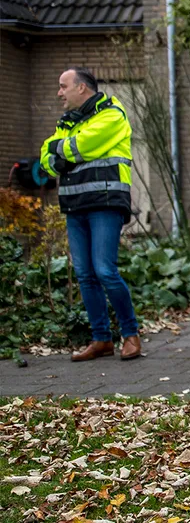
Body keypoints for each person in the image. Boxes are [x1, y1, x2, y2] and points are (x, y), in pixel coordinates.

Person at [40, 67, 142, 362]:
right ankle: (101, 340)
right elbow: (46, 157)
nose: (59, 93)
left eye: (63, 86)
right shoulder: (68, 122)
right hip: (75, 205)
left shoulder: (112, 115)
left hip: (105, 202)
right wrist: (60, 153)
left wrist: (62, 152)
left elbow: (78, 146)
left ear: (82, 88)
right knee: (85, 275)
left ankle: (131, 334)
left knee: (104, 271)